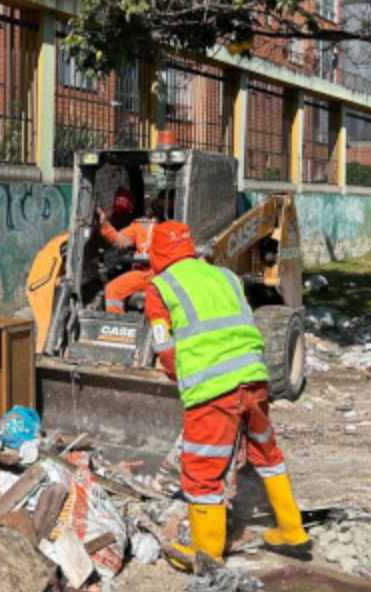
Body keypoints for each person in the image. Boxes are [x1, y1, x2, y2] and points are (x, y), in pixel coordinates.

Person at [140, 222, 311, 568]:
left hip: (213, 390)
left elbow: (164, 345)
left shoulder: (160, 287)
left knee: (202, 469)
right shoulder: (225, 276)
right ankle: (292, 529)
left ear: (157, 252)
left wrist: (178, 372)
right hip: (254, 378)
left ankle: (206, 553)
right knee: (267, 452)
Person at [95, 188, 171, 313]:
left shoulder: (179, 227)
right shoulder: (142, 224)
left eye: (169, 204)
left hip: (166, 274)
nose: (164, 207)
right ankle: (117, 325)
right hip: (144, 273)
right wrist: (104, 223)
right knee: (112, 290)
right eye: (163, 202)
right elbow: (118, 241)